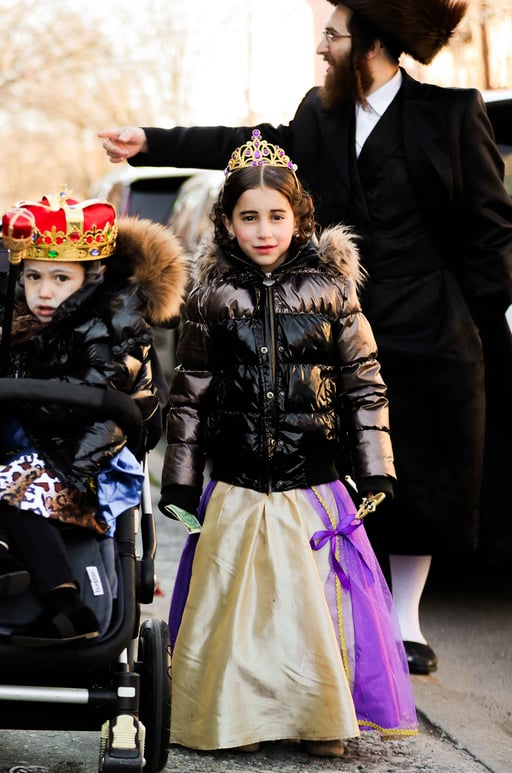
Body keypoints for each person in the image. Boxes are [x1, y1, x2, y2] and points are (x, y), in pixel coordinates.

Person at [98, 0, 512, 676]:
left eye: (334, 35)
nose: (324, 47)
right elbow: (244, 142)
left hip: (434, 335)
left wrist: (471, 313)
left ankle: (405, 620)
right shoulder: (319, 119)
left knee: (428, 478)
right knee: (342, 467)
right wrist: (153, 140)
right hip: (328, 326)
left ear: (372, 45)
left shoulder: (453, 113)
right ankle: (353, 611)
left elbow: (492, 229)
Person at [159, 133, 417, 757]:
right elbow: (189, 397)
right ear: (227, 222)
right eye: (249, 218)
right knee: (240, 610)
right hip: (240, 485)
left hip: (312, 483)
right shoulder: (210, 298)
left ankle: (321, 718)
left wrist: (374, 467)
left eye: (276, 216)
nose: (264, 230)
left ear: (299, 217)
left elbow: (365, 385)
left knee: (309, 612)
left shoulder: (332, 289)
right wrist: (180, 482)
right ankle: (238, 716)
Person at [0, 193, 187, 646]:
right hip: (24, 451)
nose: (44, 291)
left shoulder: (114, 327)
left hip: (89, 460)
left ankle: (67, 606)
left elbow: (105, 403)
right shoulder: (13, 324)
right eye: (33, 277)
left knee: (20, 490)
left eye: (59, 278)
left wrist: (44, 442)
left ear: (92, 278)